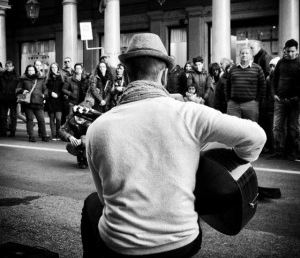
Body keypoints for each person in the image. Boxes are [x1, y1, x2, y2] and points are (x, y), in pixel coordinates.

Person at [81, 33, 266, 258]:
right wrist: (232, 164)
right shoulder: (189, 113)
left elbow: (103, 198)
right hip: (182, 241)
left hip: (120, 247)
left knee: (92, 203)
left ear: (127, 74)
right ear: (164, 73)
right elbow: (256, 137)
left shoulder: (97, 128)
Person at [270, 39, 300, 161]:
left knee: (293, 128)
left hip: (295, 101)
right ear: (285, 50)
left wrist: (298, 97)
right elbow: (274, 80)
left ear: (297, 50)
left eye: (292, 51)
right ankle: (279, 151)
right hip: (280, 100)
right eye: (288, 51)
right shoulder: (281, 63)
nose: (290, 53)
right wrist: (273, 94)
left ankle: (292, 153)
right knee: (277, 127)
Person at [225, 46, 266, 122]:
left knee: (251, 129)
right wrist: (229, 100)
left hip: (250, 104)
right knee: (233, 128)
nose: (244, 55)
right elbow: (227, 85)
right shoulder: (233, 69)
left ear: (251, 55)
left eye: (247, 53)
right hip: (233, 105)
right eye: (242, 53)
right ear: (239, 55)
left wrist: (257, 101)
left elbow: (262, 86)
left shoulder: (257, 69)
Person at [16, 64, 49, 142]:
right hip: (28, 102)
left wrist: (44, 95)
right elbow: (17, 89)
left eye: (32, 70)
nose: (31, 72)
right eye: (29, 70)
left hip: (38, 102)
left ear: (35, 71)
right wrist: (23, 91)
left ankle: (44, 135)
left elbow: (45, 89)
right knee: (30, 120)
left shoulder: (40, 79)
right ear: (27, 71)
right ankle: (31, 136)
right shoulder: (23, 79)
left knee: (41, 120)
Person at [58, 101, 95, 169]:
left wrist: (81, 141)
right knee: (69, 146)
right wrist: (70, 137)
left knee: (84, 139)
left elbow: (95, 137)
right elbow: (61, 130)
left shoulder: (92, 122)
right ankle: (81, 157)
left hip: (90, 143)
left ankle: (87, 158)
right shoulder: (71, 119)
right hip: (76, 141)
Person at [260, 57, 281, 155]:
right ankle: (272, 148)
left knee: (277, 128)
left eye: (274, 66)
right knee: (270, 128)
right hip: (268, 106)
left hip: (277, 105)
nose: (272, 68)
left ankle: (278, 148)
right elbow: (265, 93)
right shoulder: (268, 78)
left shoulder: (280, 78)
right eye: (270, 66)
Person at [0, 60, 19, 137]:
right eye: (7, 66)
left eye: (10, 66)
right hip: (3, 98)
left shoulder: (17, 76)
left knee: (13, 116)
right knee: (3, 115)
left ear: (13, 67)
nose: (8, 67)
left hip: (13, 99)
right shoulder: (1, 76)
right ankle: (3, 131)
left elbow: (19, 87)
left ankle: (13, 131)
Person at [45, 62, 64, 141]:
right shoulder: (47, 78)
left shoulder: (61, 78)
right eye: (52, 67)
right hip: (50, 100)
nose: (54, 69)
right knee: (52, 118)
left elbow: (63, 89)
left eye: (55, 67)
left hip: (59, 100)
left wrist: (58, 95)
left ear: (58, 68)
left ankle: (58, 133)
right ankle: (53, 134)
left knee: (58, 118)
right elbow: (45, 88)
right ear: (50, 69)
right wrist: (50, 92)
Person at [61, 57, 75, 125]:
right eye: (65, 62)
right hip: (65, 95)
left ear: (71, 62)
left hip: (73, 95)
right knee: (65, 114)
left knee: (72, 114)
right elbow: (61, 84)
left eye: (68, 61)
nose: (67, 63)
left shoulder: (74, 71)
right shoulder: (61, 72)